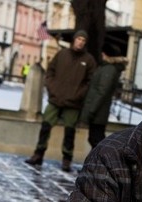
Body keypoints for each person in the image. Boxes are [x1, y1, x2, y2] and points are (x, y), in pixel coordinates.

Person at [24, 30, 96, 172]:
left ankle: (66, 159)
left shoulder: (88, 60)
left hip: (73, 102)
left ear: (85, 43)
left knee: (69, 131)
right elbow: (50, 72)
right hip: (55, 99)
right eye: (78, 39)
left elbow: (90, 82)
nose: (80, 42)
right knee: (45, 126)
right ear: (74, 40)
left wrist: (79, 94)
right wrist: (52, 88)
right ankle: (38, 154)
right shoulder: (62, 54)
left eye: (83, 40)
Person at [79, 44, 127, 148]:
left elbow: (102, 91)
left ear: (106, 54)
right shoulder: (106, 67)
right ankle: (98, 162)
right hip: (98, 110)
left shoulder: (108, 69)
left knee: (96, 139)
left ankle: (103, 162)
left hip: (98, 111)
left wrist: (92, 110)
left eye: (103, 53)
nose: (101, 54)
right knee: (94, 138)